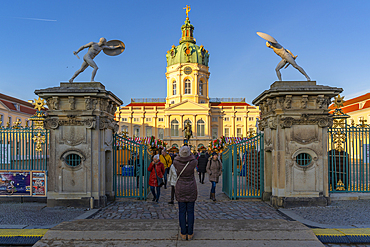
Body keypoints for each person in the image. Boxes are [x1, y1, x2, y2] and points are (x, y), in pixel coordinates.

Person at [173, 146, 198, 240]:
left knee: (182, 212)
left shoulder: (176, 162)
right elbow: (193, 158)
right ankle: (190, 232)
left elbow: (176, 159)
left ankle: (183, 232)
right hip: (191, 187)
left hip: (180, 188)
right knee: (190, 211)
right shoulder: (194, 162)